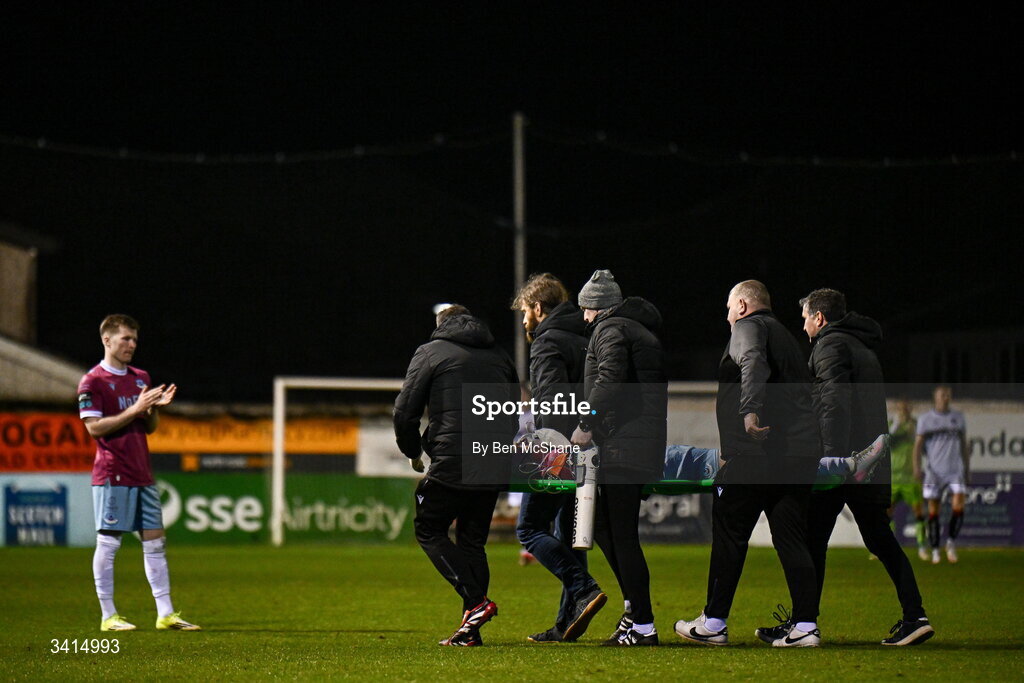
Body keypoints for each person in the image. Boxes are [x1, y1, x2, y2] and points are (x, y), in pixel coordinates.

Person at [756, 289, 931, 647]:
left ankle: (804, 624)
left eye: (806, 316)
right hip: (868, 461)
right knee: (878, 539)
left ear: (819, 318)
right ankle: (914, 615)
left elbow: (833, 404)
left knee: (810, 540)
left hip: (844, 464)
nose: (803, 324)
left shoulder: (830, 346)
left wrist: (828, 461)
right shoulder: (860, 348)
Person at [676, 280, 821, 648]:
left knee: (728, 534)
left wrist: (749, 411)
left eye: (728, 308)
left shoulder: (748, 328)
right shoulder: (787, 336)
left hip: (756, 454)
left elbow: (751, 363)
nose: (727, 316)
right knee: (791, 539)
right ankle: (806, 626)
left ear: (741, 305)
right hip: (796, 455)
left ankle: (713, 622)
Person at [393, 304, 518, 647]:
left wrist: (412, 450)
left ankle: (477, 602)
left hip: (453, 458)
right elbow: (512, 412)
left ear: (441, 325)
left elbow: (405, 410)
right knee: (472, 542)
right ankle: (470, 632)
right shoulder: (501, 356)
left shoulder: (431, 352)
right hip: (491, 460)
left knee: (429, 528)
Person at [78, 314, 200, 632]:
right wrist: (133, 410)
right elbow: (94, 428)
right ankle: (108, 617)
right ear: (107, 340)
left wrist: (154, 409)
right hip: (112, 472)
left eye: (134, 339)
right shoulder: (93, 382)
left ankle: (166, 614)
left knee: (156, 541)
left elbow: (149, 428)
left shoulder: (139, 377)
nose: (132, 344)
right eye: (125, 339)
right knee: (109, 542)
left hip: (142, 472)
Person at [570, 269, 667, 646]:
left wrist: (586, 422)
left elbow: (609, 380)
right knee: (609, 531)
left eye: (586, 308)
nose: (583, 317)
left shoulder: (612, 331)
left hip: (624, 445)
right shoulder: (637, 332)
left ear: (598, 307)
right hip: (634, 443)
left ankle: (643, 623)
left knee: (622, 535)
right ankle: (634, 611)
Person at [511, 274, 607, 643]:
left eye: (525, 312)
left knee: (528, 529)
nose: (524, 321)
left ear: (538, 307)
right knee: (568, 535)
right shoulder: (588, 335)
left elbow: (553, 403)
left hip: (560, 450)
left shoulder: (548, 340)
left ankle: (583, 588)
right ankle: (567, 621)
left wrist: (543, 446)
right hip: (589, 448)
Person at [914, 385, 969, 564]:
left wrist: (967, 469)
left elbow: (963, 446)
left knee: (959, 505)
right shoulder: (925, 420)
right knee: (933, 511)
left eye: (948, 395)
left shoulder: (958, 418)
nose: (945, 397)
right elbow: (917, 447)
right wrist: (917, 467)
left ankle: (951, 542)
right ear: (935, 397)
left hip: (955, 471)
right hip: (933, 473)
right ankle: (936, 549)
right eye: (942, 394)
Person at [889, 399, 929, 561]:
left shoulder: (916, 425)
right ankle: (886, 548)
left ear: (910, 409)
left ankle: (922, 546)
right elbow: (888, 443)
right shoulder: (892, 424)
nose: (903, 410)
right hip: (894, 476)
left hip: (910, 476)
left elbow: (923, 446)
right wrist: (897, 425)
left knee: (919, 512)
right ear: (897, 409)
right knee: (887, 513)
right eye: (900, 408)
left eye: (906, 408)